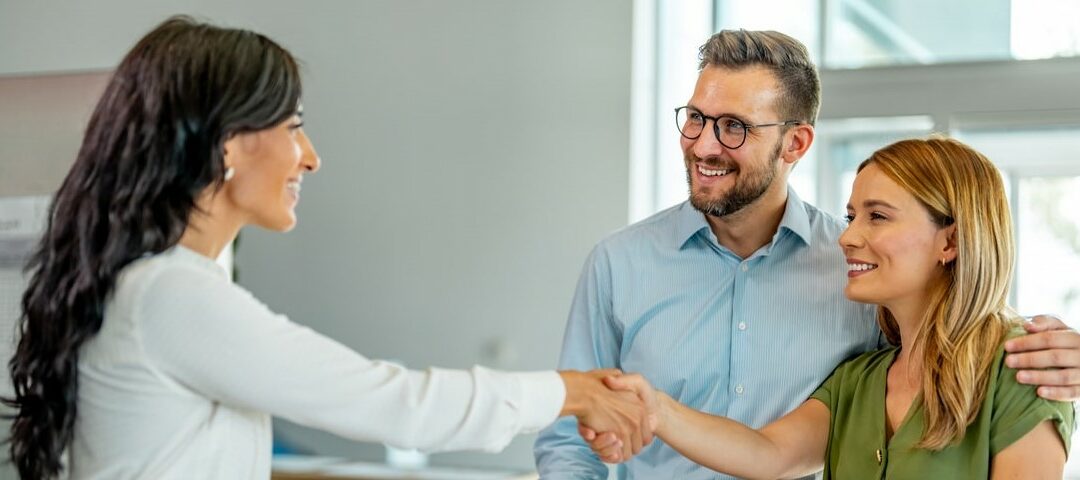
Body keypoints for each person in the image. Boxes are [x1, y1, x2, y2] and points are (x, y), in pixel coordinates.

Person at [4, 17, 650, 480]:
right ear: (229, 144)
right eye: (294, 128)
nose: (310, 159)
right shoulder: (170, 296)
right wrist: (569, 392)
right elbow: (394, 404)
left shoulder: (157, 287)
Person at [534, 29, 1080, 479]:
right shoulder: (618, 264)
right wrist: (649, 404)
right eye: (696, 118)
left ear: (795, 144)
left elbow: (963, 319)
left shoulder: (869, 286)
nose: (702, 144)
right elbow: (764, 454)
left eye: (734, 127)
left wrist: (1062, 349)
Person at [588, 137, 1074, 478]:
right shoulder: (860, 379)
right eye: (850, 216)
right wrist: (656, 408)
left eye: (877, 217)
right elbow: (768, 454)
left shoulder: (1022, 371)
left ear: (950, 240)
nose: (847, 237)